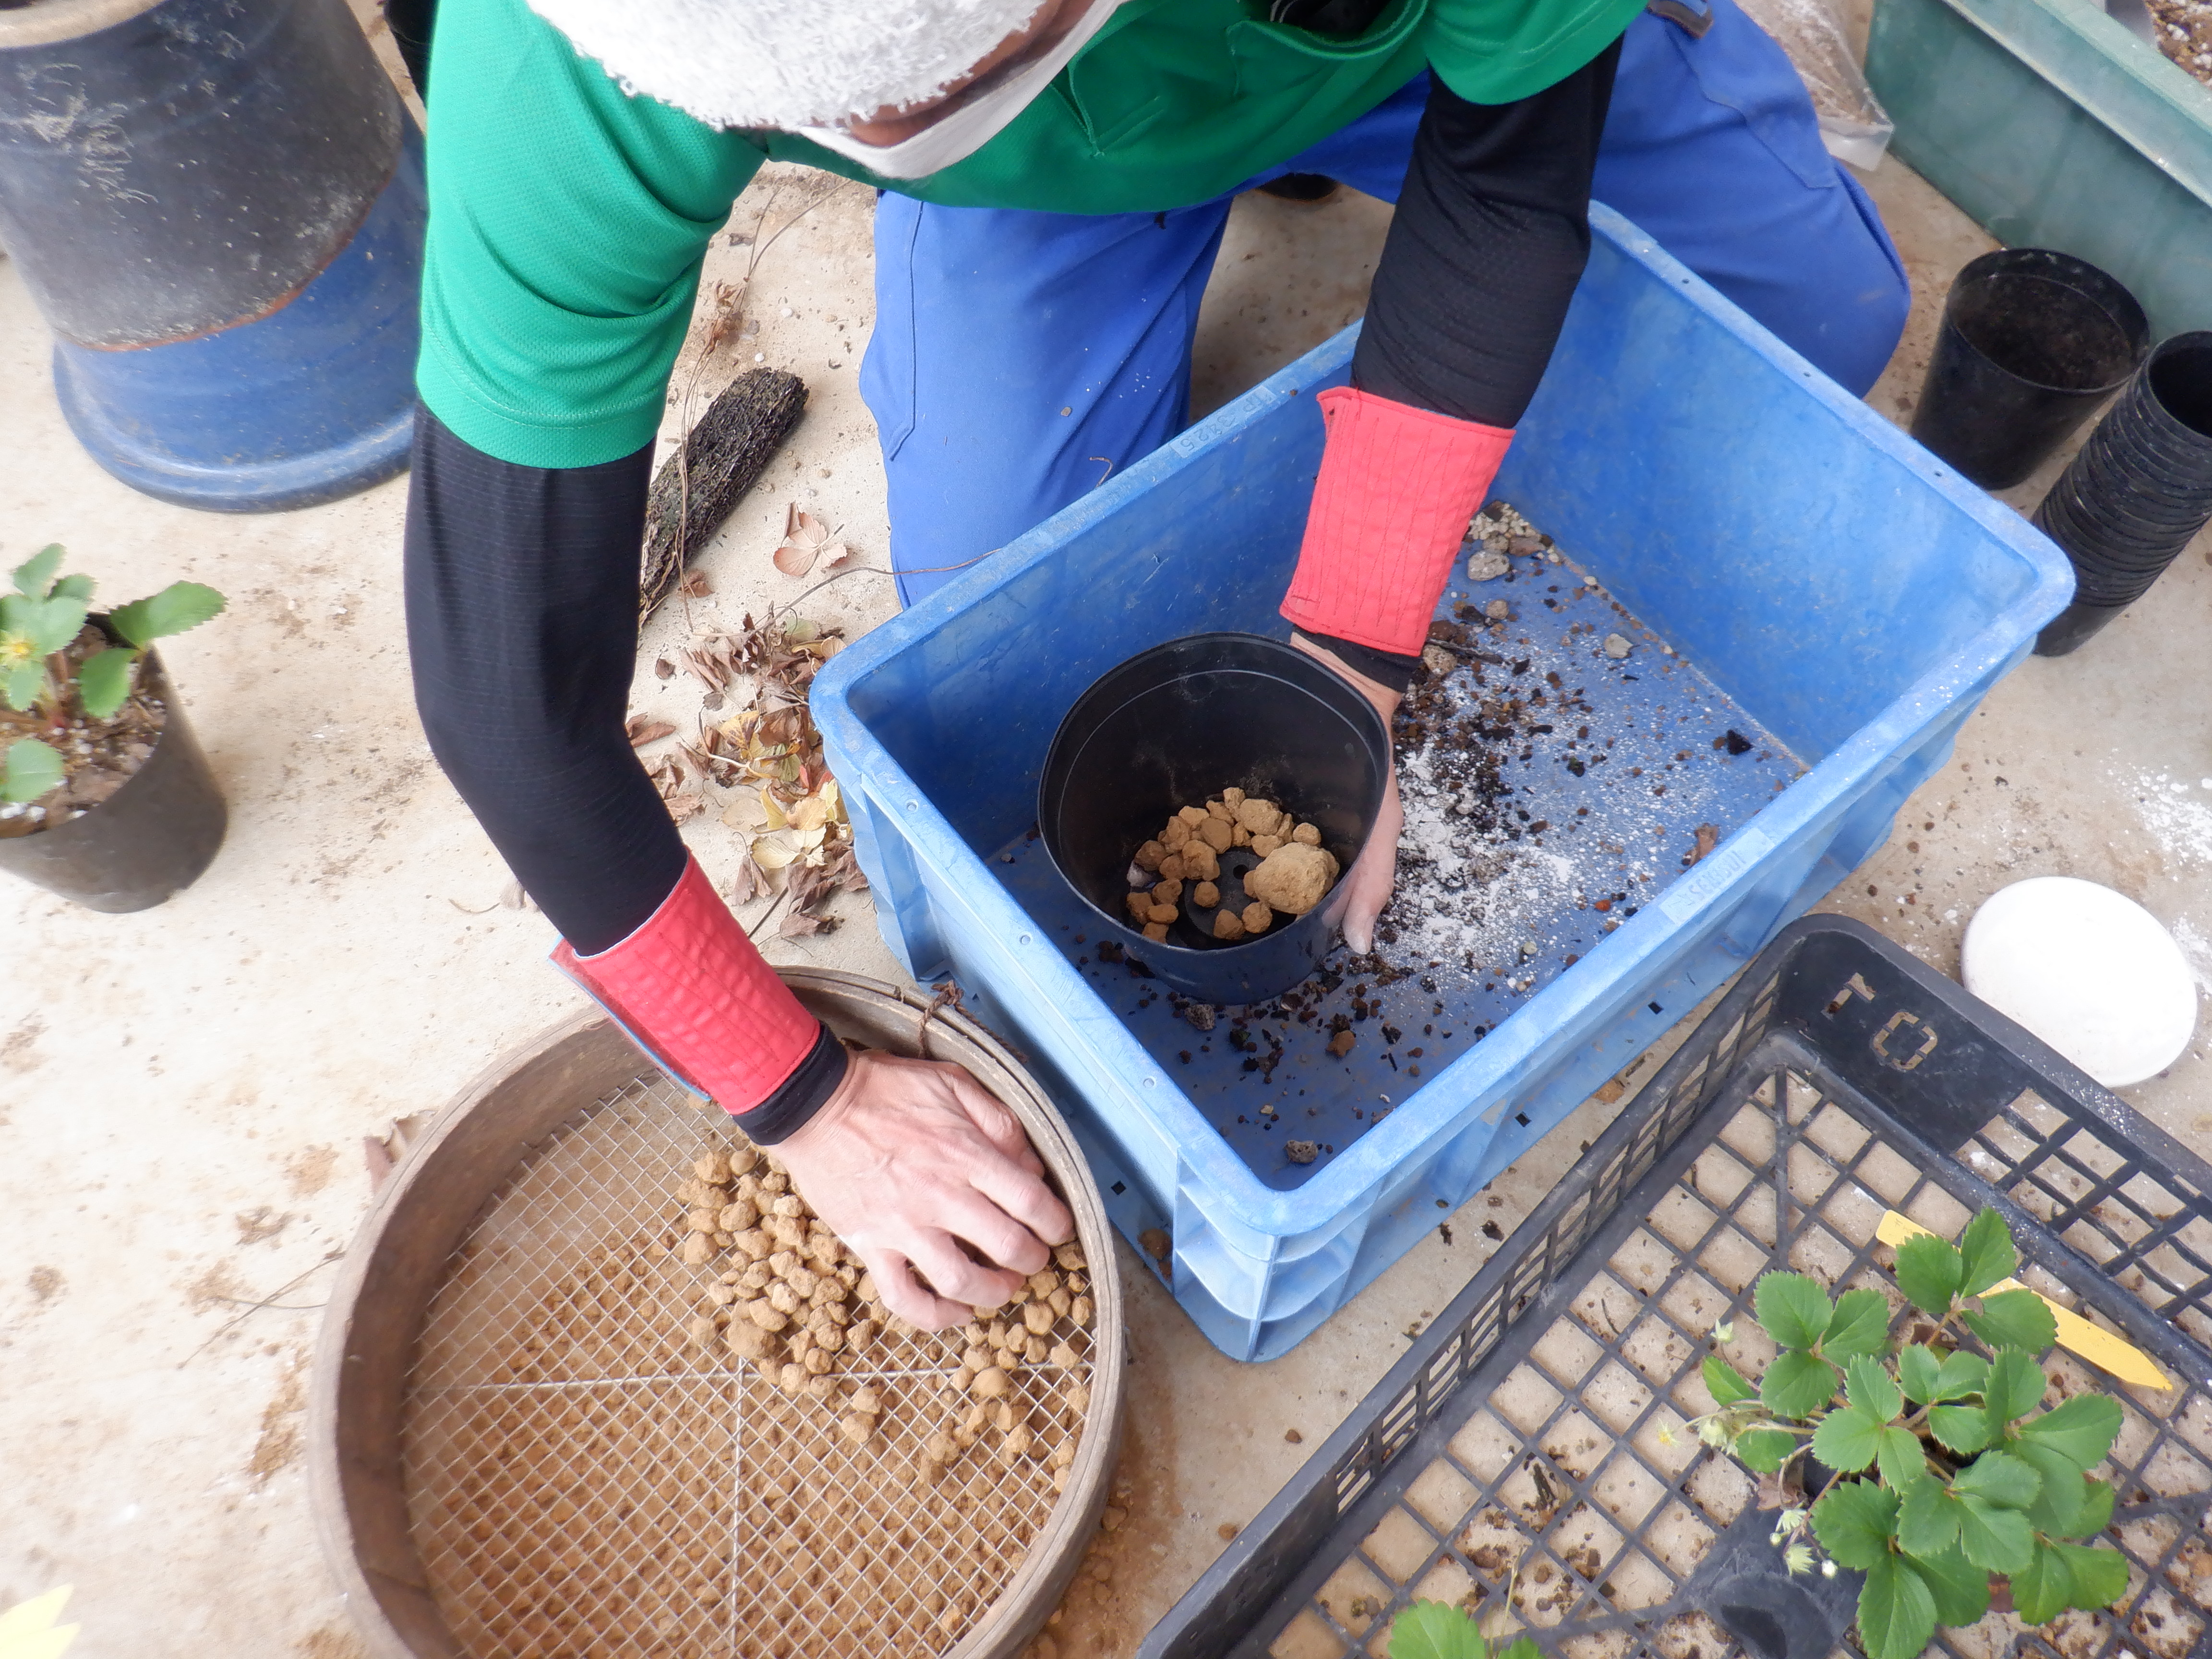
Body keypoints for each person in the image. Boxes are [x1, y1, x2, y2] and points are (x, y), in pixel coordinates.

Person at [401, 0, 1909, 1331]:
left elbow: (1510, 198)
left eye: (934, 82)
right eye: (858, 124)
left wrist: (1357, 647)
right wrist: (807, 1102)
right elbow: (505, 697)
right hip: (1050, 169)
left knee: (1819, 321)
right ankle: (1072, 163)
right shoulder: (581, 56)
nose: (872, 130)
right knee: (1013, 612)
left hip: (1395, 45)